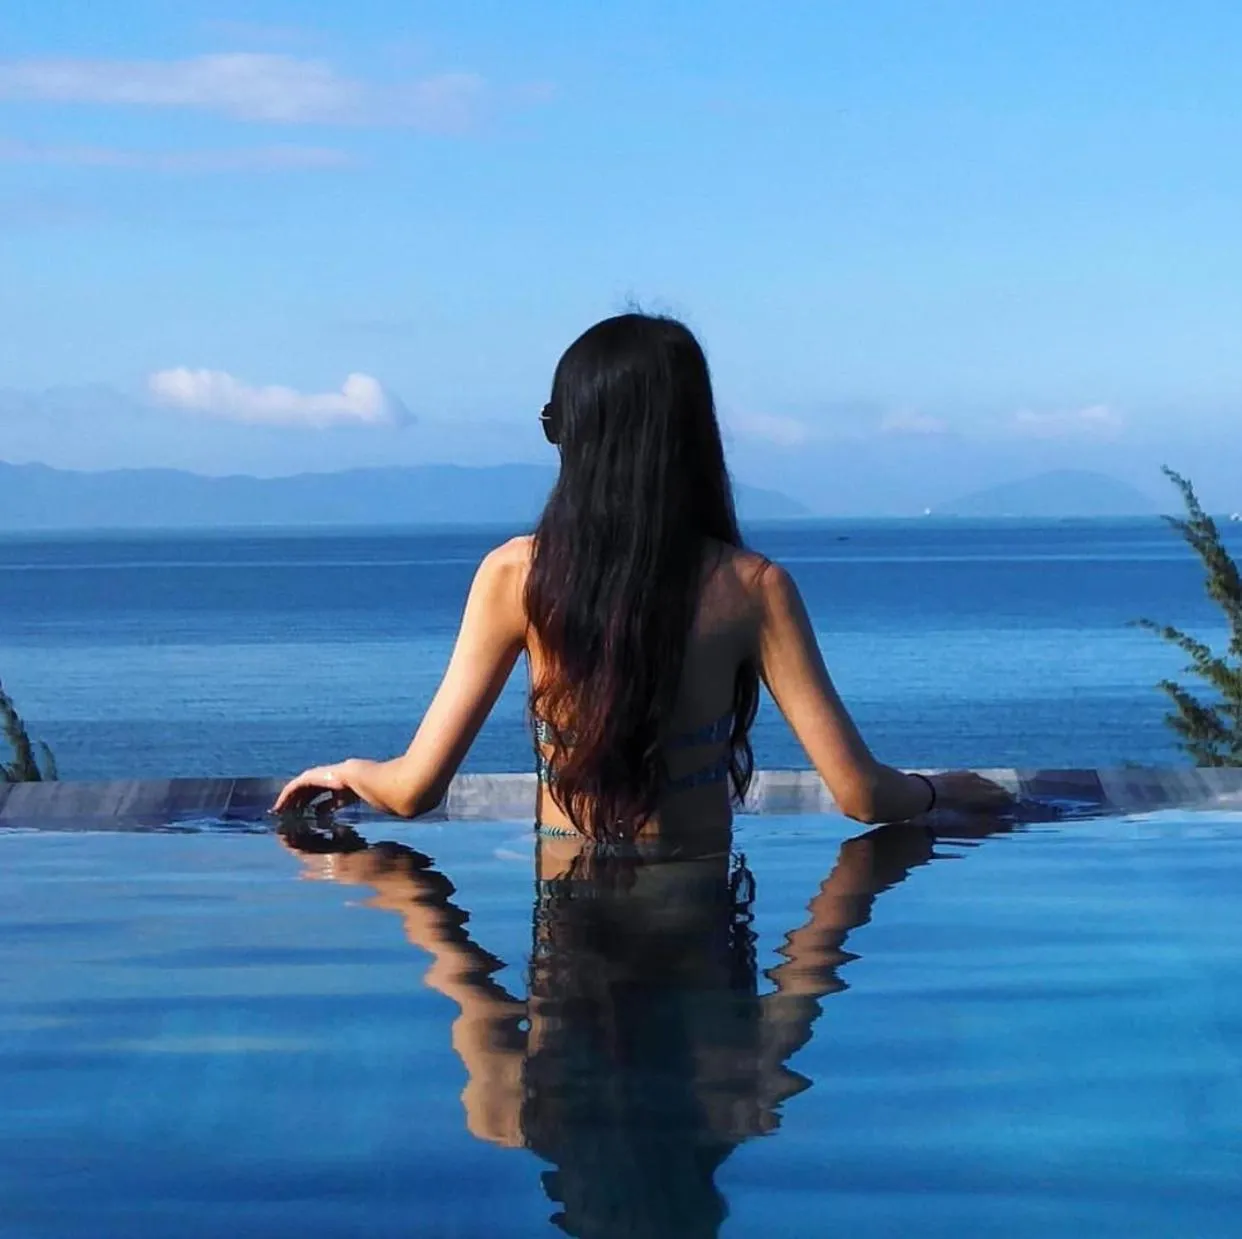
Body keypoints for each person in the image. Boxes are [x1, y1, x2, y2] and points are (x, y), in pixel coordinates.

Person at [273, 312, 1003, 836]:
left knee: (499, 1064)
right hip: (701, 933)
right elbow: (861, 794)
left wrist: (349, 770)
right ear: (693, 439)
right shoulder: (753, 588)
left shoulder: (514, 576)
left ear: (576, 437)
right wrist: (945, 791)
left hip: (567, 933)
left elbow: (413, 791)